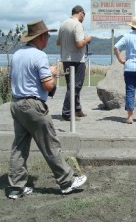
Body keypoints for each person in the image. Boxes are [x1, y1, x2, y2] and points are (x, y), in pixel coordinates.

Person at [7, 20, 87, 199]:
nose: (49, 38)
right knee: (50, 144)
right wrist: (51, 72)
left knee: (19, 148)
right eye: (47, 35)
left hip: (16, 103)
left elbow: (11, 80)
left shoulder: (17, 55)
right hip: (33, 105)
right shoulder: (39, 56)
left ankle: (16, 188)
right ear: (40, 37)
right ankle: (66, 182)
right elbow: (48, 85)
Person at [57, 5, 92, 121]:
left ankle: (77, 109)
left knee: (70, 85)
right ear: (81, 13)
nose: (84, 18)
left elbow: (58, 42)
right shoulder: (77, 25)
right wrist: (87, 39)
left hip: (65, 58)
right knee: (75, 86)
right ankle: (67, 113)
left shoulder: (63, 24)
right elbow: (79, 44)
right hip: (76, 59)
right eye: (84, 15)